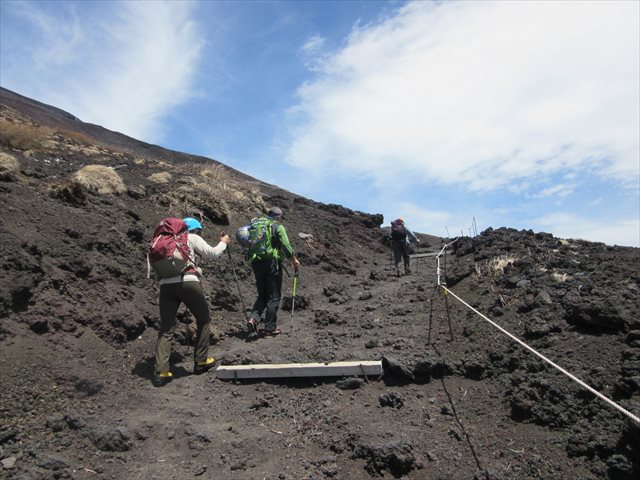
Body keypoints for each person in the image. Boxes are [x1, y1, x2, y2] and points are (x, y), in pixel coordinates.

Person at [153, 217, 230, 386]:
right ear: (194, 229)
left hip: (165, 286)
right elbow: (213, 253)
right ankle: (201, 361)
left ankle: (161, 371)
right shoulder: (191, 237)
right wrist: (223, 242)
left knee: (166, 327)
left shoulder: (164, 241)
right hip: (187, 282)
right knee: (203, 319)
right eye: (199, 231)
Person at [246, 207, 300, 337]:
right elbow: (285, 244)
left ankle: (253, 318)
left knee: (262, 295)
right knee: (273, 296)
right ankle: (269, 329)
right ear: (278, 216)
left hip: (256, 263)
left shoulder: (256, 224)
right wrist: (294, 259)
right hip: (272, 264)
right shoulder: (277, 226)